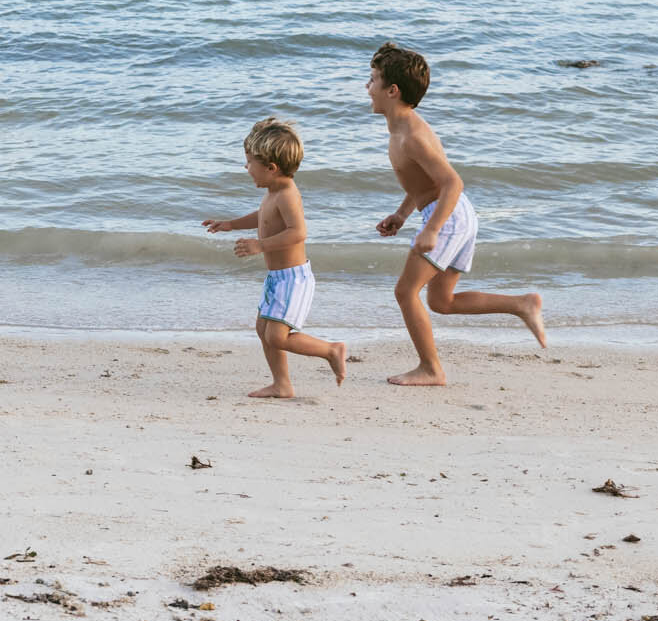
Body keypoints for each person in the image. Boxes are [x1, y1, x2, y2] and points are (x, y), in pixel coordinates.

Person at [369, 42, 546, 386]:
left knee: (405, 293)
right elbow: (424, 184)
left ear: (392, 91)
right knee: (442, 301)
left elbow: (452, 182)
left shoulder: (412, 137)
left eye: (373, 79)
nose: (367, 87)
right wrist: (403, 214)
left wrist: (432, 229)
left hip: (447, 215)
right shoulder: (401, 128)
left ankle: (431, 369)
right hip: (455, 214)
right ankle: (522, 304)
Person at [204, 117, 348, 398]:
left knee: (276, 336)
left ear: (271, 168)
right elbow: (264, 218)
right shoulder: (273, 191)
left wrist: (260, 245)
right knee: (263, 329)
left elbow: (298, 232)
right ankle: (282, 384)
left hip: (294, 279)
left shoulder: (287, 194)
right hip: (277, 278)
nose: (246, 169)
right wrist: (231, 223)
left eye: (249, 164)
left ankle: (332, 350)